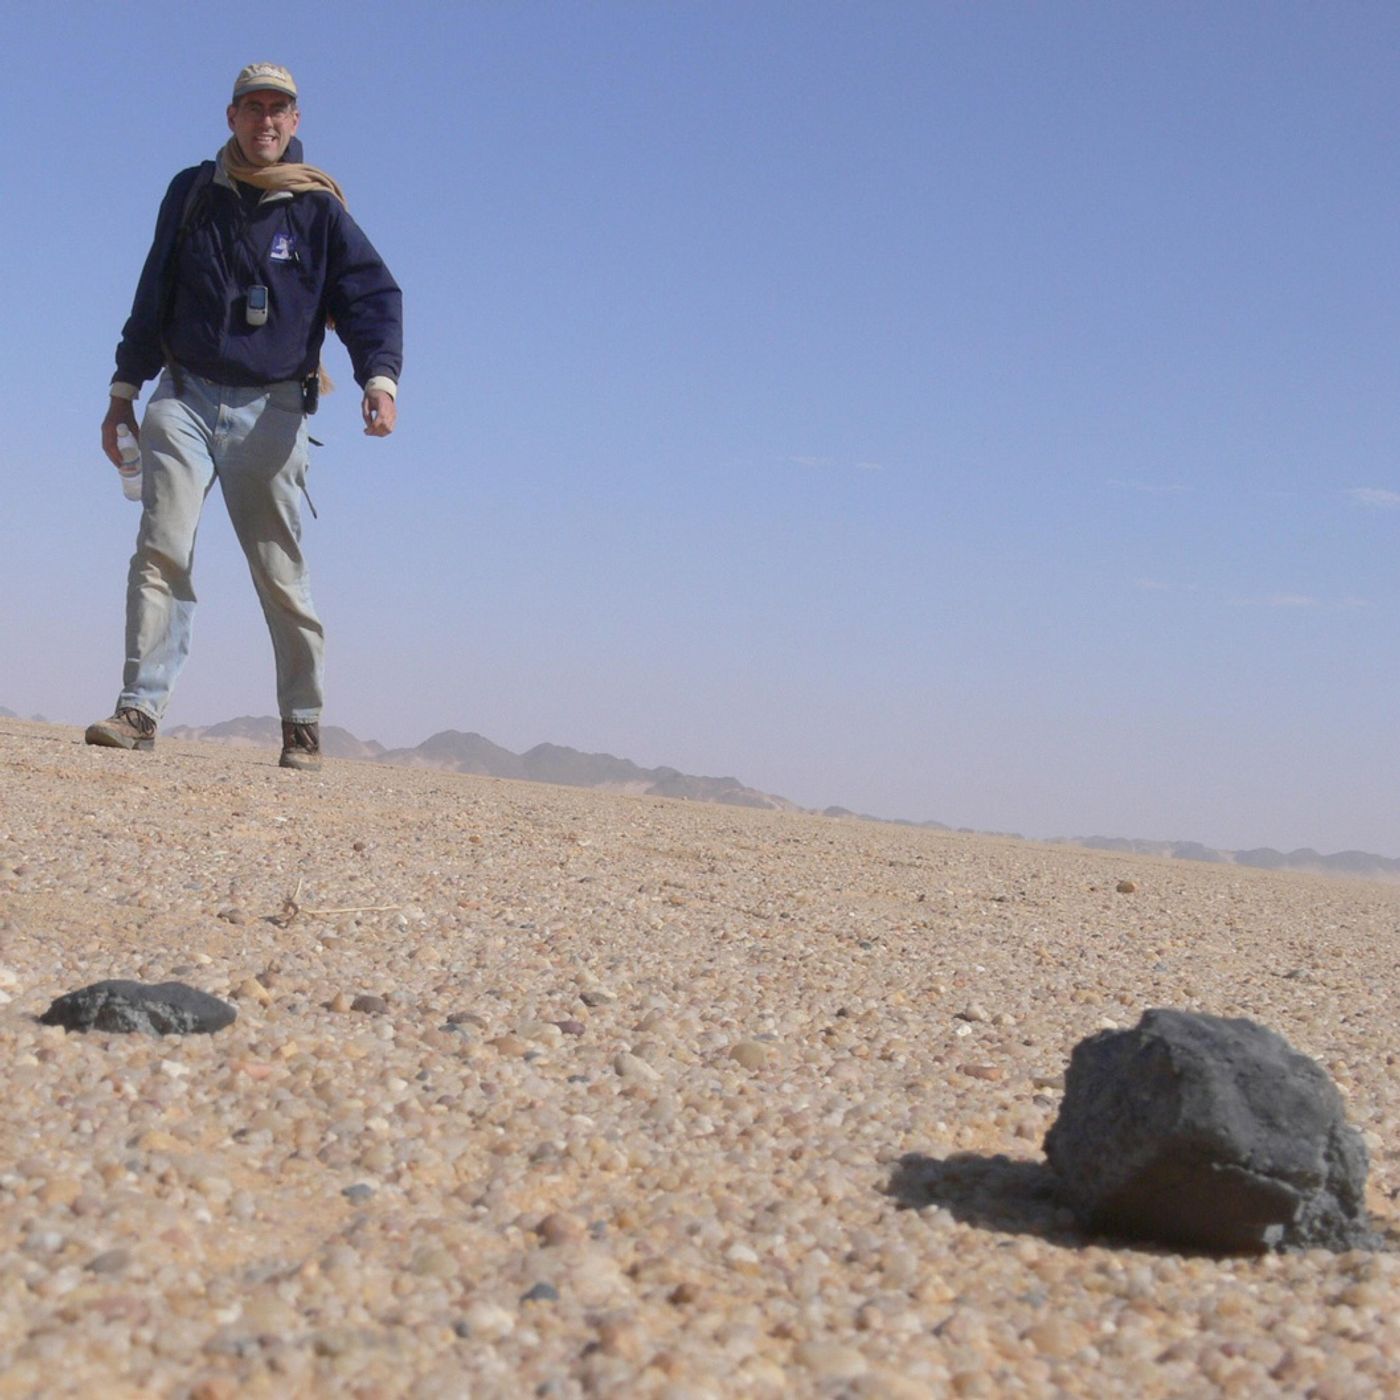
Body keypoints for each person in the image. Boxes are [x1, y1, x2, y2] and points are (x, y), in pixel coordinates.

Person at [86, 62, 403, 772]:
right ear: (231, 117)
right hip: (185, 396)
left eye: (277, 110)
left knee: (280, 572)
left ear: (295, 122)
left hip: (274, 408)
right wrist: (122, 392)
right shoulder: (193, 193)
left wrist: (379, 378)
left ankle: (302, 722)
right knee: (161, 547)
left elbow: (370, 297)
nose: (265, 120)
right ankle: (139, 708)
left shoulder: (318, 210)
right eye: (252, 107)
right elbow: (152, 293)